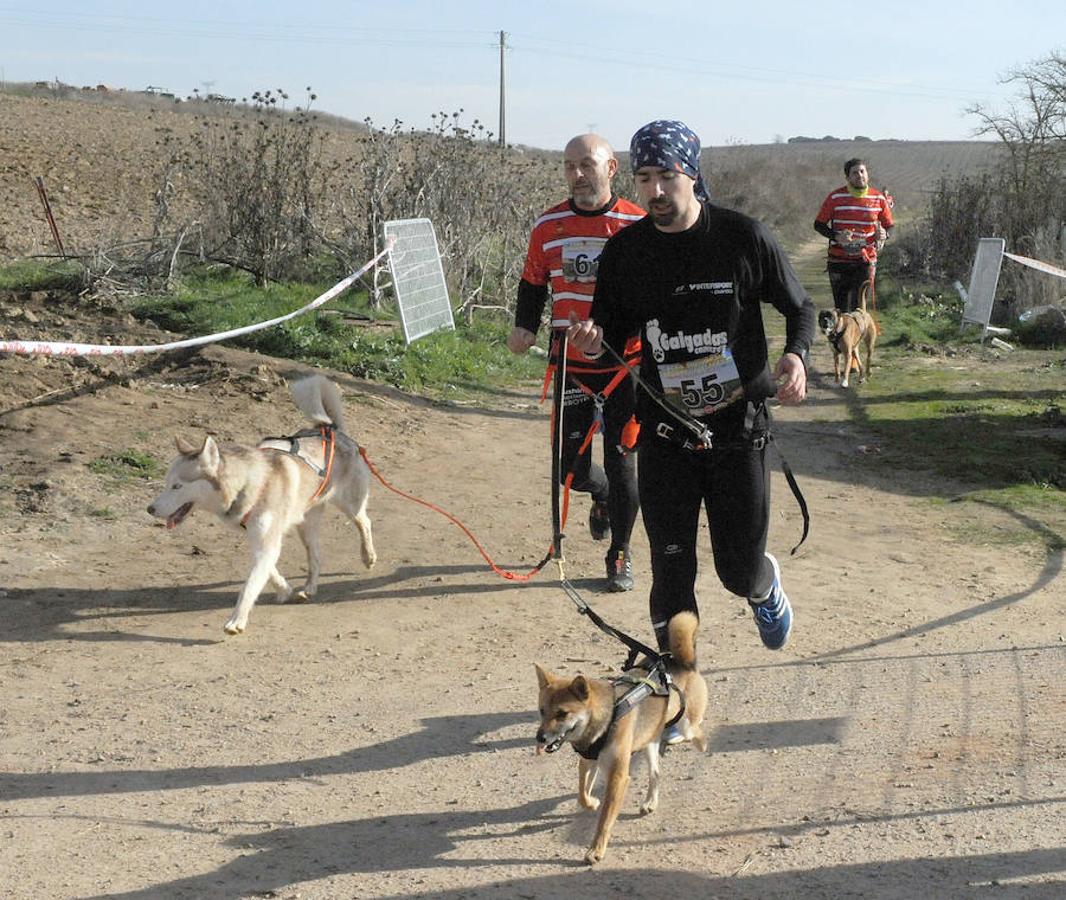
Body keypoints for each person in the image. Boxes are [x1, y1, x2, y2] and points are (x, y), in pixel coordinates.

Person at [567, 120, 814, 666]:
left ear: (693, 174)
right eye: (644, 178)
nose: (654, 192)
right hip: (665, 430)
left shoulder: (743, 237)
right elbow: (607, 326)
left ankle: (762, 587)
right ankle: (679, 688)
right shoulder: (627, 253)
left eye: (667, 176)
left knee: (736, 570)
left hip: (737, 430)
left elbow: (800, 307)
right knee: (672, 567)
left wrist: (796, 356)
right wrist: (591, 340)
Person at [508, 134, 646, 592]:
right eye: (569, 165)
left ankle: (620, 553)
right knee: (570, 469)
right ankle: (600, 495)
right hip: (570, 364)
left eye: (587, 164)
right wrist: (524, 326)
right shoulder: (549, 225)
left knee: (624, 457)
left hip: (626, 365)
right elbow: (532, 282)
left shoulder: (637, 224)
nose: (577, 174)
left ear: (611, 169)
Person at [814, 158, 894, 313]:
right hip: (839, 260)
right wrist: (836, 236)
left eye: (862, 171)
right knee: (843, 309)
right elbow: (818, 225)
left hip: (866, 259)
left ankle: (856, 337)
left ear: (867, 174)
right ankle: (842, 337)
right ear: (848, 178)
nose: (860, 175)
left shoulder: (878, 198)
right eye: (855, 173)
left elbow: (890, 225)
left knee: (860, 308)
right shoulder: (835, 198)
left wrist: (885, 235)